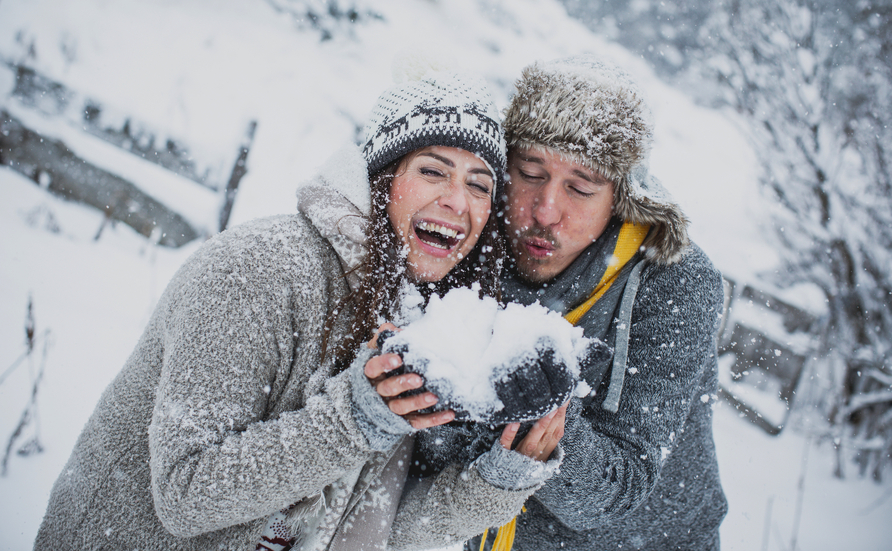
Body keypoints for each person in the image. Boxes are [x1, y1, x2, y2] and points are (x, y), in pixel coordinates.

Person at [33, 63, 567, 551]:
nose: (459, 200)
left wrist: (503, 477)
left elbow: (369, 522)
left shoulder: (415, 316)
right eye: (433, 170)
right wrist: (354, 421)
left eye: (480, 185)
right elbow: (187, 492)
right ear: (381, 181)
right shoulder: (255, 270)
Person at [464, 56, 728, 550]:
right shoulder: (478, 244)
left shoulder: (676, 284)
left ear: (622, 200)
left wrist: (549, 411)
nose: (545, 211)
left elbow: (610, 495)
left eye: (580, 188)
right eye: (530, 173)